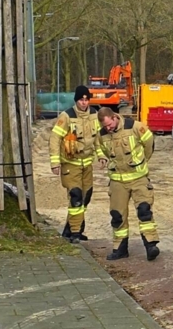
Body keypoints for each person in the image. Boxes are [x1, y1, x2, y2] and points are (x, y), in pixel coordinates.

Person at [95, 107, 160, 261]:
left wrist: (142, 161)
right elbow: (100, 147)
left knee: (144, 211)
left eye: (109, 125)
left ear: (115, 117)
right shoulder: (102, 134)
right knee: (117, 216)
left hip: (139, 178)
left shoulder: (135, 126)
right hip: (117, 181)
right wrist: (102, 158)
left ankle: (151, 245)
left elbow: (149, 143)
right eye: (105, 127)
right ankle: (120, 248)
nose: (108, 129)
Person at [49, 85, 99, 243]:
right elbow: (54, 139)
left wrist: (102, 155)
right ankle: (76, 233)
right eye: (81, 100)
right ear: (76, 100)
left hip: (87, 164)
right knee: (76, 197)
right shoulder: (67, 116)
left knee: (86, 197)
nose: (84, 103)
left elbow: (98, 138)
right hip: (70, 164)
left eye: (86, 99)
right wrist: (55, 162)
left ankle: (68, 230)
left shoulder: (94, 114)